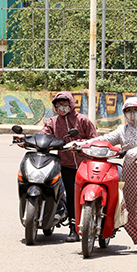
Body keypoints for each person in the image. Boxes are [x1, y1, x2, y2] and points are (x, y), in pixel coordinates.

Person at [78, 97, 137, 255]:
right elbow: (105, 139)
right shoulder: (122, 130)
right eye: (128, 111)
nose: (132, 114)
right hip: (130, 168)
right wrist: (83, 143)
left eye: (135, 110)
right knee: (131, 205)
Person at [40, 91, 97, 242]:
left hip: (85, 164)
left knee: (85, 196)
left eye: (64, 103)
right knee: (70, 195)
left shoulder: (83, 120)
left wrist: (80, 144)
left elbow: (94, 139)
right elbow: (43, 136)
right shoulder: (53, 122)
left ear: (71, 104)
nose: (62, 107)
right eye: (58, 105)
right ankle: (72, 228)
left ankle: (86, 226)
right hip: (66, 165)